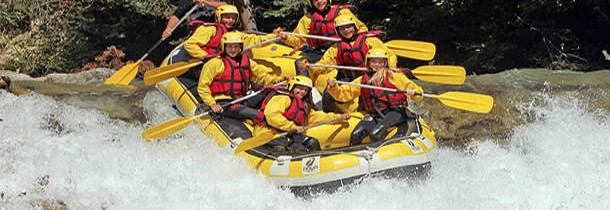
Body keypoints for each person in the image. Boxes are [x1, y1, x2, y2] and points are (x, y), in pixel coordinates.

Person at [197, 32, 290, 139]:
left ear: (241, 47)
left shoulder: (247, 62)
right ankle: (271, 137)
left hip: (241, 99)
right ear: (224, 47)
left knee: (271, 90)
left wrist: (280, 80)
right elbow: (203, 86)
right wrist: (212, 104)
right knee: (256, 114)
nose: (233, 50)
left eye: (236, 47)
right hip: (224, 103)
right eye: (230, 47)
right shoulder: (215, 63)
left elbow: (263, 77)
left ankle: (278, 118)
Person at [299, 14, 397, 112]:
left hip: (369, 75)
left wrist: (388, 69)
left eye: (348, 27)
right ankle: (331, 116)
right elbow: (324, 64)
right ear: (338, 31)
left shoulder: (370, 41)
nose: (346, 30)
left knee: (367, 94)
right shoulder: (335, 48)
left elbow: (390, 55)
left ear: (355, 27)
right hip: (348, 77)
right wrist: (310, 67)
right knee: (328, 94)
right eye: (342, 28)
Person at [326, 48, 423, 146]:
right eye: (373, 62)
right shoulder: (363, 80)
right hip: (375, 114)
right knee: (356, 135)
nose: (377, 65)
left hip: (395, 112)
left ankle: (379, 157)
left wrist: (413, 93)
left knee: (376, 133)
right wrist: (333, 87)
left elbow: (417, 91)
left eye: (380, 62)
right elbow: (343, 95)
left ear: (385, 63)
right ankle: (357, 158)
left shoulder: (394, 77)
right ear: (368, 63)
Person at [182, 4, 286, 80]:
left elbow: (254, 40)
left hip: (220, 64)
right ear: (219, 17)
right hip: (201, 66)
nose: (230, 20)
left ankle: (275, 80)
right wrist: (205, 56)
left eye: (233, 18)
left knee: (247, 63)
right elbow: (189, 44)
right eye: (227, 17)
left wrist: (273, 36)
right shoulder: (209, 29)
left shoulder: (234, 34)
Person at [252, 75, 350, 152]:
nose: (302, 92)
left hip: (286, 134)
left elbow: (317, 117)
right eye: (299, 88)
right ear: (292, 87)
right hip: (267, 133)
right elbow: (272, 116)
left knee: (313, 143)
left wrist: (339, 117)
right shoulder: (283, 98)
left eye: (305, 90)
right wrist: (292, 127)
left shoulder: (303, 105)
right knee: (292, 149)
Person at [284, 0, 368, 76]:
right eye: (316, 0)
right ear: (312, 3)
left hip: (339, 48)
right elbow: (298, 39)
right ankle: (304, 88)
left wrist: (348, 40)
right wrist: (285, 38)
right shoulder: (307, 19)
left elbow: (362, 28)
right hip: (320, 52)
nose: (320, 1)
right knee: (300, 63)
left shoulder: (342, 12)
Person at [162, 0, 234, 39]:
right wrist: (168, 29)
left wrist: (206, 2)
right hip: (200, 26)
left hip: (218, 22)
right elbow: (177, 15)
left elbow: (226, 4)